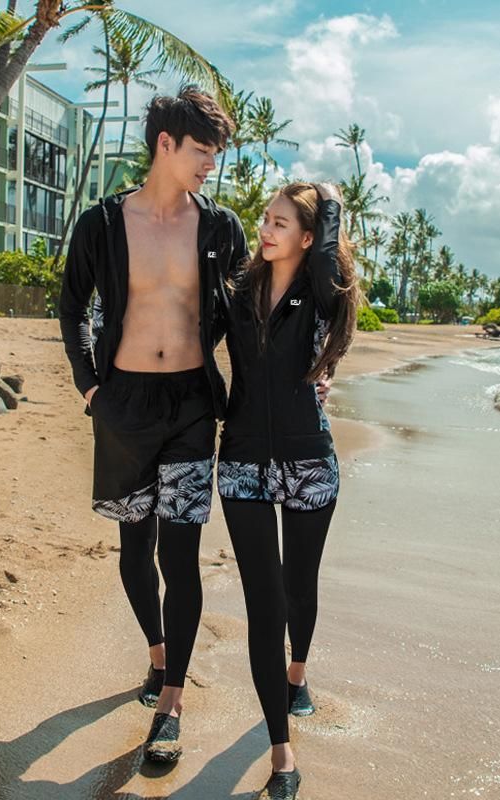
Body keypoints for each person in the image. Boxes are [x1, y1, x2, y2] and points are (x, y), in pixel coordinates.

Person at [58, 86, 248, 762]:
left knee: (181, 555)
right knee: (134, 549)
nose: (210, 165)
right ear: (165, 144)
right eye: (201, 151)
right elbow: (72, 305)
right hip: (124, 406)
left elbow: (248, 313)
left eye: (215, 154)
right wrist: (89, 386)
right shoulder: (103, 223)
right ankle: (159, 652)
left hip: (191, 406)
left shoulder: (220, 227)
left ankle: (171, 700)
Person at [217, 182, 361, 799]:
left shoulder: (320, 291)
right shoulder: (238, 291)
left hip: (307, 462)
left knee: (300, 586)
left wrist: (326, 195)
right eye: (265, 219)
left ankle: (296, 671)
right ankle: (280, 750)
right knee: (264, 604)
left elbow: (328, 253)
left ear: (307, 237)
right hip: (243, 464)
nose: (265, 229)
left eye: (280, 223)